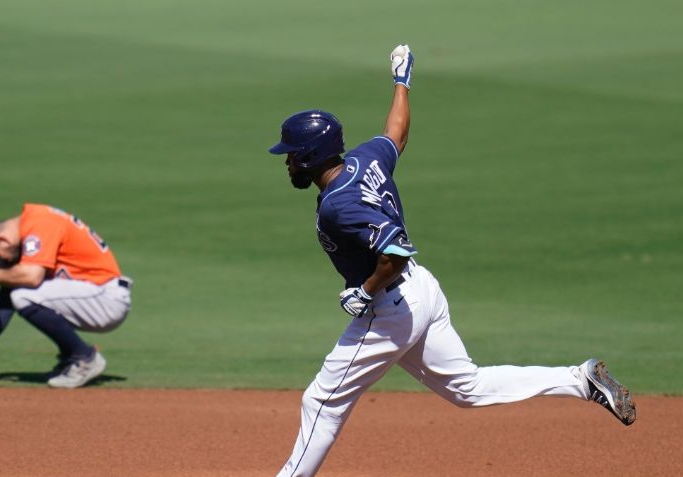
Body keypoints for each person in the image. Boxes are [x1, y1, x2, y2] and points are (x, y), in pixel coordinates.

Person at [267, 44, 636, 477]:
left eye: (291, 154)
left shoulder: (338, 204)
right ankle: (579, 379)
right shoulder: (365, 160)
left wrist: (362, 290)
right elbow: (396, 134)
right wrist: (401, 81)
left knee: (322, 402)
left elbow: (396, 253)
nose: (287, 161)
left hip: (391, 307)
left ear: (310, 156)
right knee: (468, 388)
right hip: (423, 293)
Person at [0, 203, 132, 388]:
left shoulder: (39, 224)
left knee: (23, 295)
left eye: (1, 261)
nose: (4, 264)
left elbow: (32, 278)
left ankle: (84, 358)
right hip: (93, 295)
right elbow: (6, 297)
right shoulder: (29, 228)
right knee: (19, 292)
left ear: (3, 240)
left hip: (106, 298)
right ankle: (71, 358)